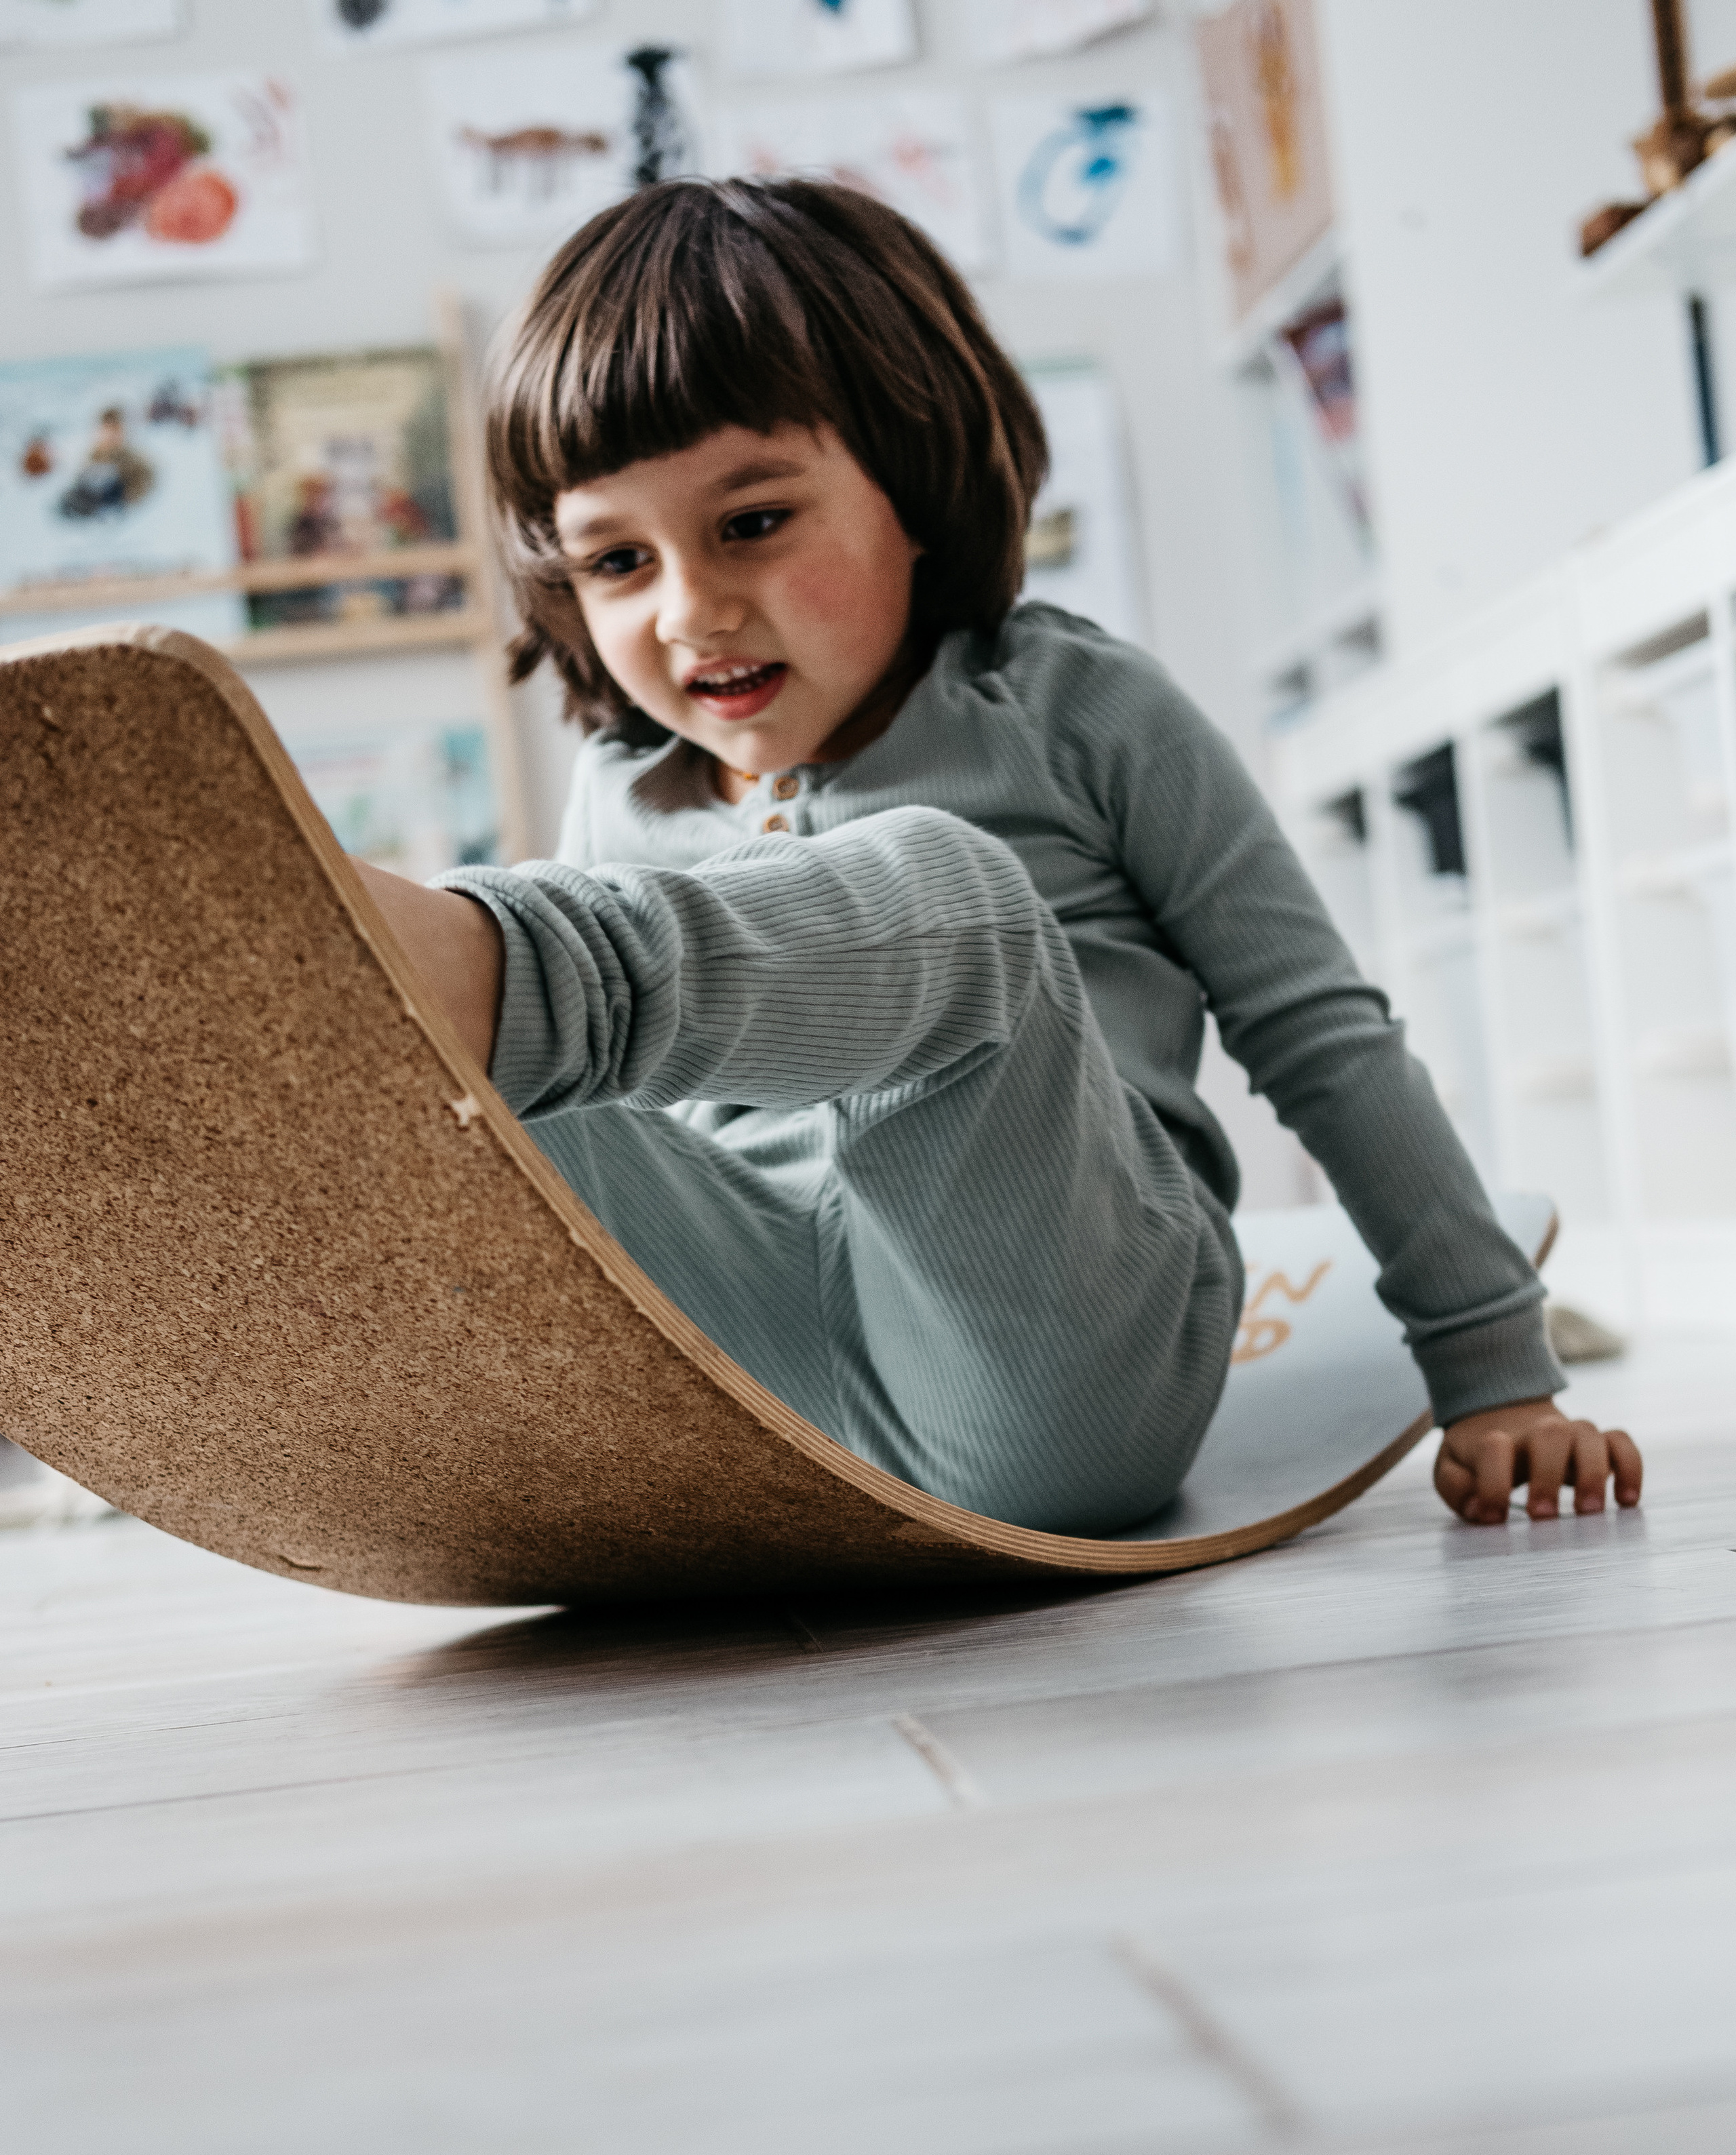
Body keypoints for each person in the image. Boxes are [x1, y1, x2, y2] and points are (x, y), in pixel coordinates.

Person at [355, 176, 1642, 1538]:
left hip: (1049, 1372)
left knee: (942, 888)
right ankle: (337, 1045)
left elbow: (1322, 1037)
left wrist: (1495, 1373)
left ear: (910, 491)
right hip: (758, 1391)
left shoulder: (1077, 711)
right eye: (618, 562)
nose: (692, 610)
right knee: (503, 1102)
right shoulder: (621, 791)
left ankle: (430, 964)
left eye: (751, 524)